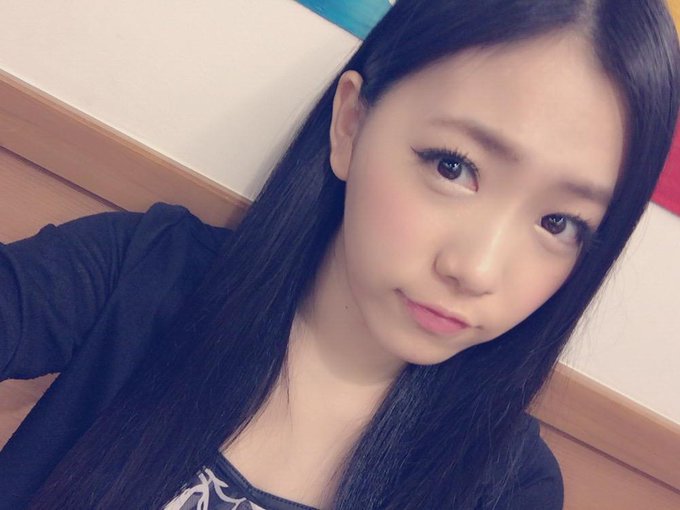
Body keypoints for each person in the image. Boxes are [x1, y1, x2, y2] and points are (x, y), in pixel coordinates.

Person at [0, 0, 677, 508]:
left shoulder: (507, 488)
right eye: (453, 166)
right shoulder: (140, 275)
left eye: (560, 222)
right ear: (351, 123)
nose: (477, 269)